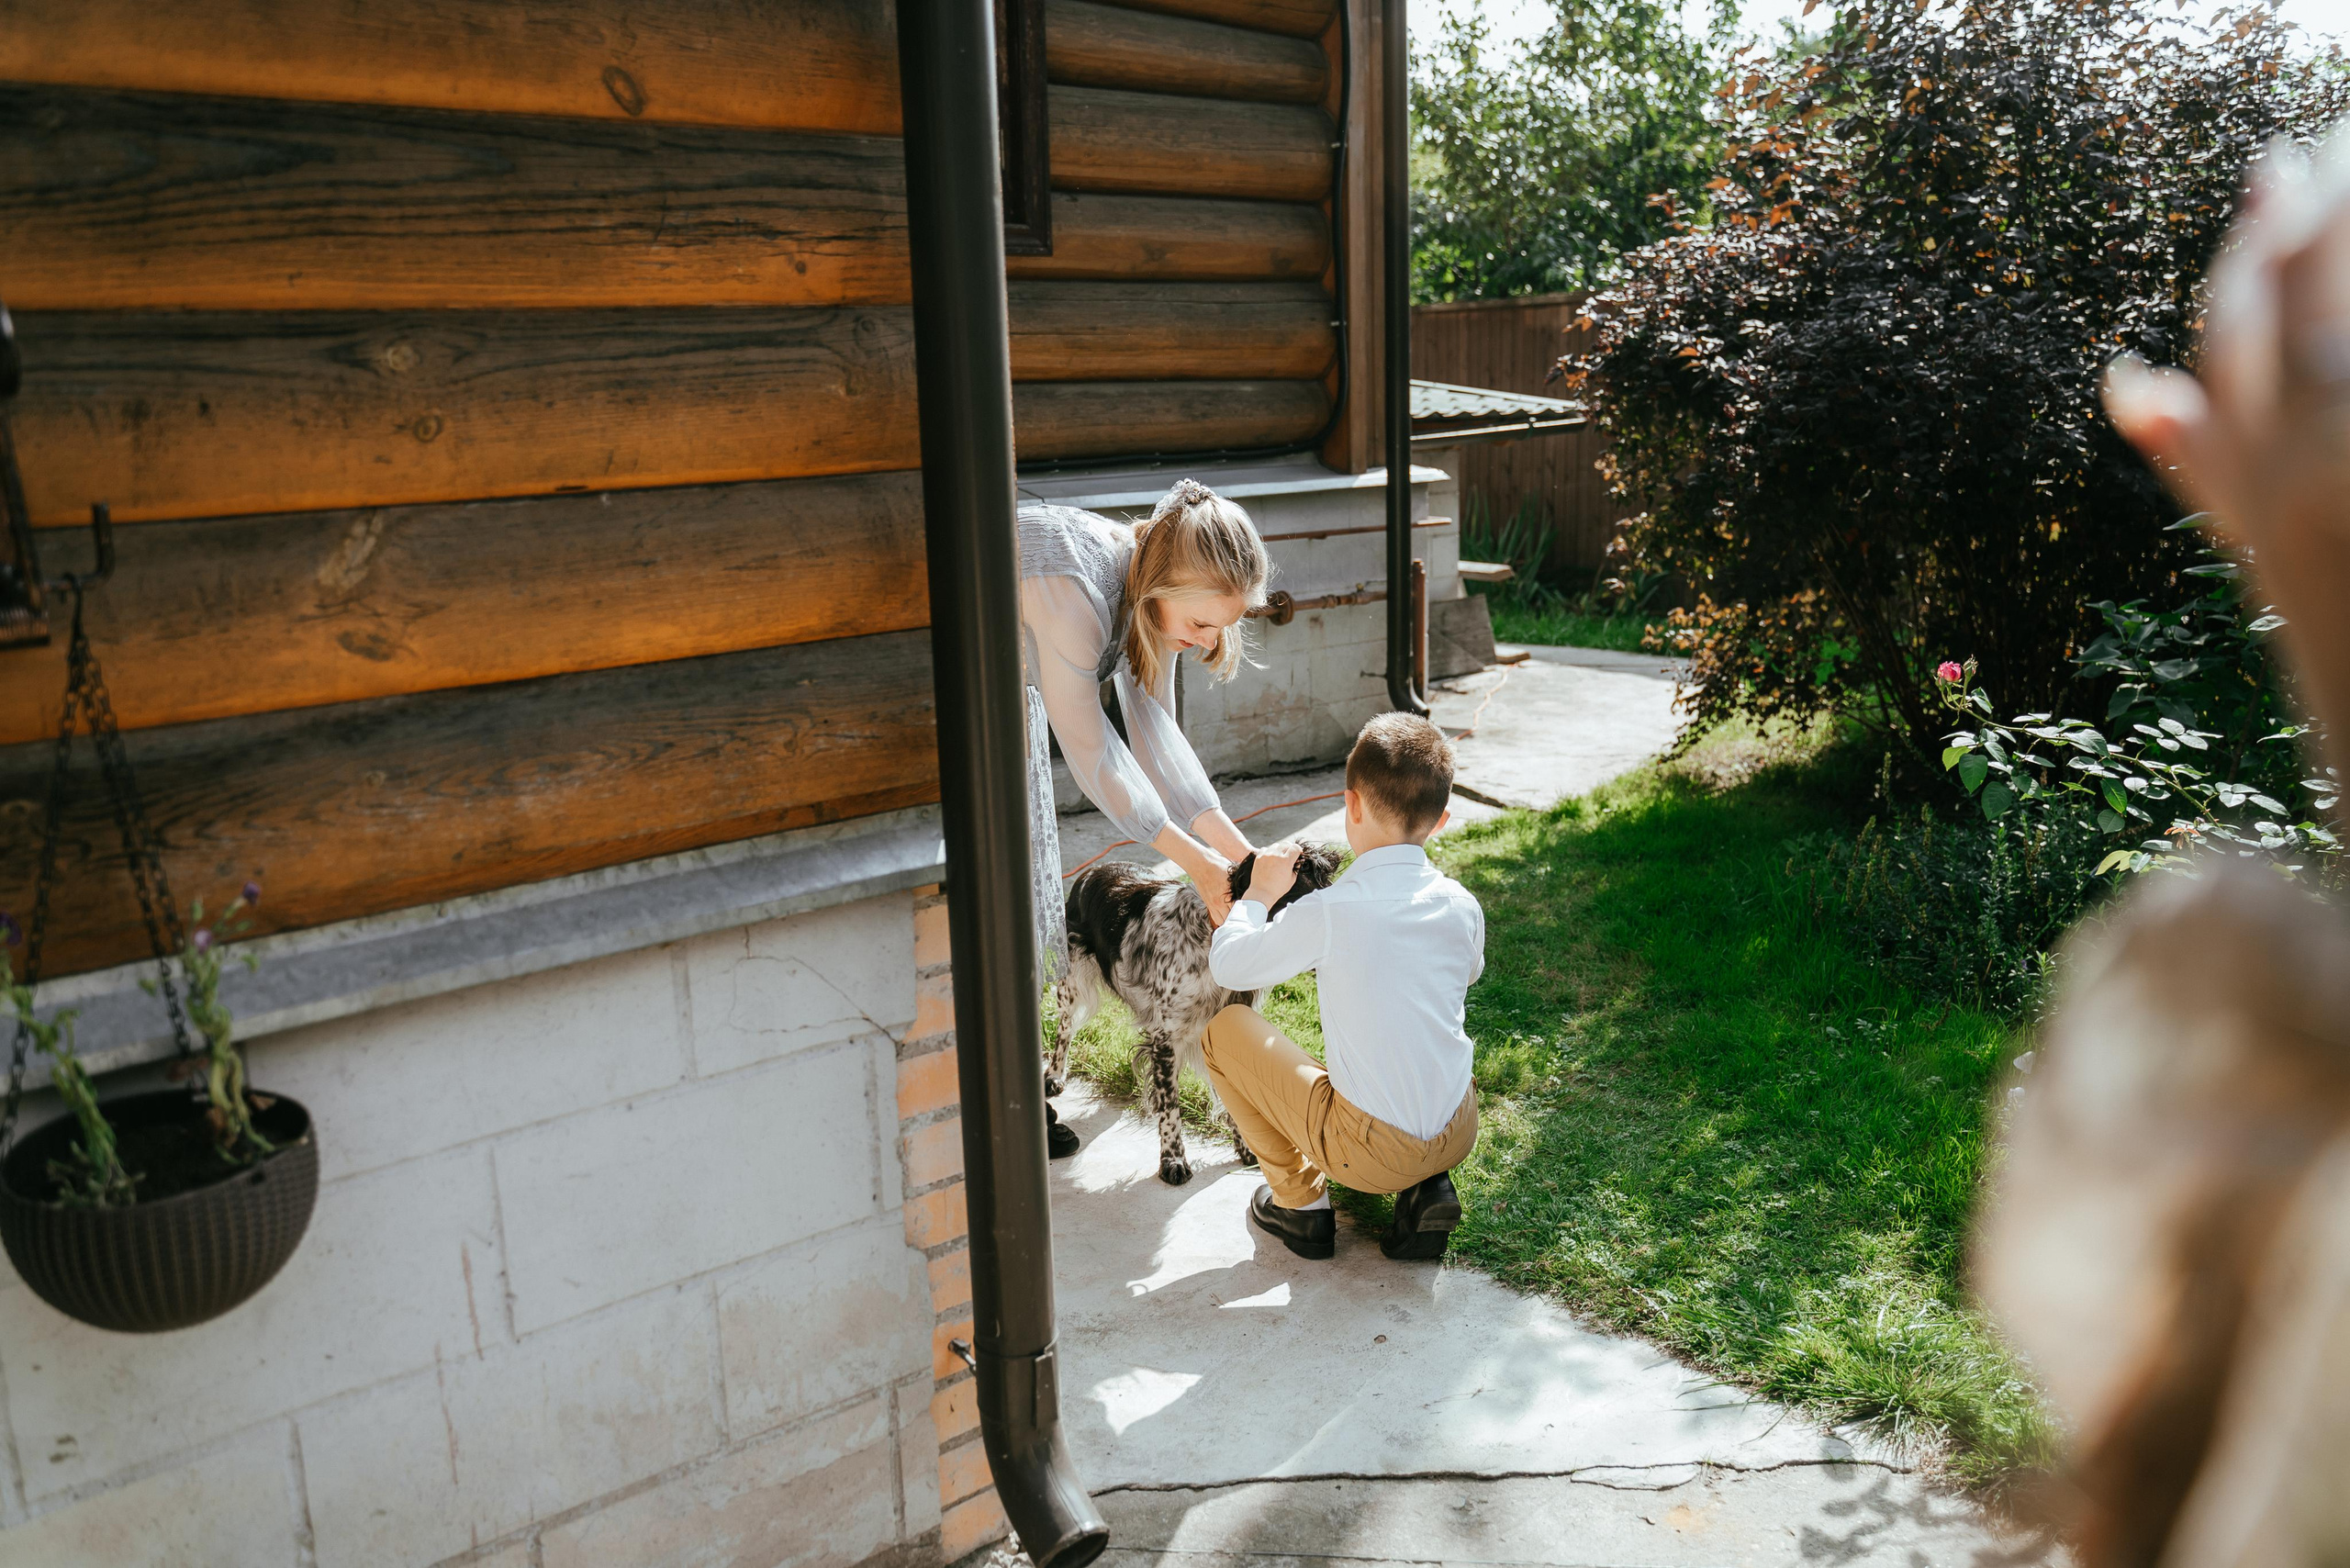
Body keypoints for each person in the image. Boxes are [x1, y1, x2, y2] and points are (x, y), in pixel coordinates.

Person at [1020, 479, 1272, 1156]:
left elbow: (1157, 734)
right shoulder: (1075, 593)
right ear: (1166, 584)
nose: (1209, 642)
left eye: (1221, 628)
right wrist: (1196, 864)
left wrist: (1241, 857)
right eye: (1203, 624)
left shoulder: (1149, 598)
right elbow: (1092, 750)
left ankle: (1006, 1091)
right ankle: (996, 1102)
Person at [1199, 712, 1483, 1260]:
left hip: (1369, 1153)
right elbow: (1468, 973)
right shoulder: (1462, 904)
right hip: (1457, 1130)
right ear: (1441, 821)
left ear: (1351, 805)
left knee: (1225, 1029)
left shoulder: (1330, 910)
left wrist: (1257, 895)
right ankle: (1427, 1185)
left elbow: (1229, 966)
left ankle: (1301, 1206)